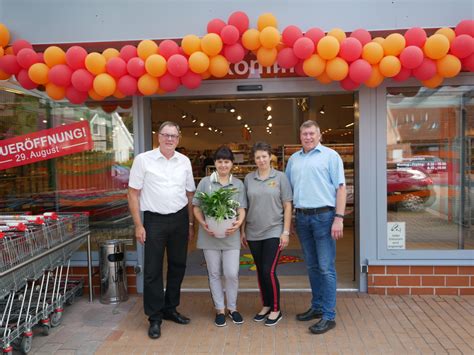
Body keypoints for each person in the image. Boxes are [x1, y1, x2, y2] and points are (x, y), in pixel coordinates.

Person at [128, 121, 196, 340]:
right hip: (154, 221)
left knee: (178, 266)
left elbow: (189, 195)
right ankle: (155, 317)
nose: (169, 139)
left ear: (178, 139)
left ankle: (170, 308)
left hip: (178, 220)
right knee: (152, 270)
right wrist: (139, 224)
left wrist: (190, 224)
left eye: (174, 136)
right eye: (166, 135)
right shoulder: (143, 160)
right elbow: (132, 193)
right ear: (158, 136)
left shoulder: (184, 161)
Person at [285, 120, 346, 335]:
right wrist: (291, 218)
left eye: (311, 133)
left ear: (319, 134)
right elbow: (289, 194)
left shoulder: (331, 156)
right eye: (304, 134)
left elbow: (340, 189)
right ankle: (317, 306)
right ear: (300, 136)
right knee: (311, 266)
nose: (308, 137)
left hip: (325, 217)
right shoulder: (293, 159)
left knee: (326, 267)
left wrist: (339, 217)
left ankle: (329, 316)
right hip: (302, 218)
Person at [192, 146, 247, 327]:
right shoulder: (205, 183)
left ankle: (233, 307)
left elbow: (241, 209)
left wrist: (238, 224)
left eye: (226, 161)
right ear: (215, 163)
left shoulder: (238, 184)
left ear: (232, 163)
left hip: (231, 236)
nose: (223, 165)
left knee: (231, 273)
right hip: (210, 235)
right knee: (214, 273)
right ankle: (220, 309)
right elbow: (197, 206)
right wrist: (203, 223)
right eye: (220, 161)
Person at [241, 141, 292, 327]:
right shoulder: (248, 179)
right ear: (253, 159)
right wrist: (242, 231)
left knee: (268, 270)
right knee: (261, 272)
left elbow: (287, 205)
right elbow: (244, 207)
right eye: (257, 157)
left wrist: (285, 232)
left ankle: (276, 309)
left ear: (270, 157)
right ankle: (266, 304)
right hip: (253, 231)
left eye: (264, 156)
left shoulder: (280, 177)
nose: (261, 160)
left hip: (274, 230)